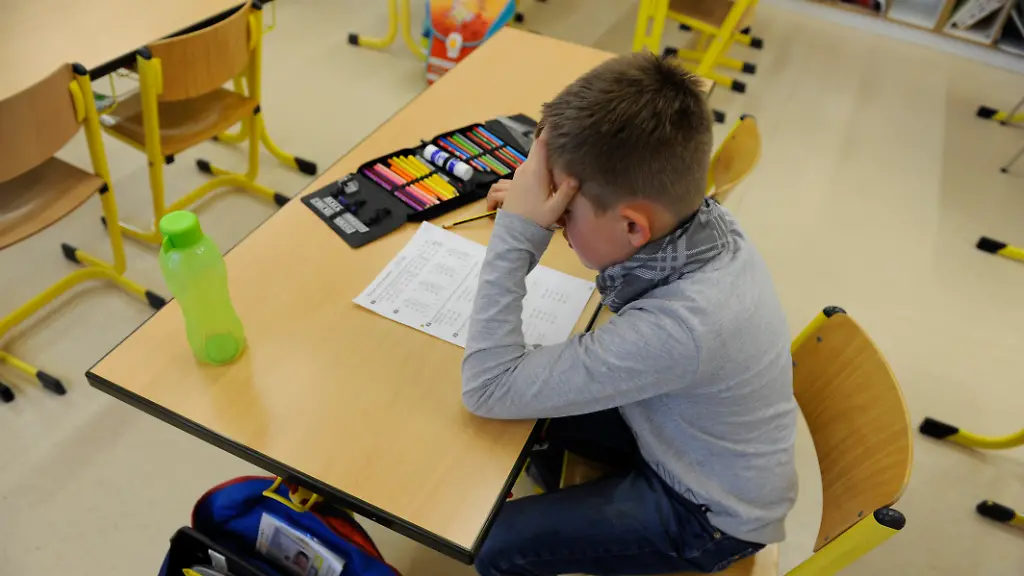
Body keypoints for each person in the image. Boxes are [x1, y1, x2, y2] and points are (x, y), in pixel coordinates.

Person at [462, 53, 797, 576]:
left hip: (706, 513)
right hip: (677, 430)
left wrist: (518, 234)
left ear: (633, 228)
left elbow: (486, 387)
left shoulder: (682, 328)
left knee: (492, 542)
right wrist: (544, 202)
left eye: (564, 210)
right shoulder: (703, 225)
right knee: (530, 413)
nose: (554, 219)